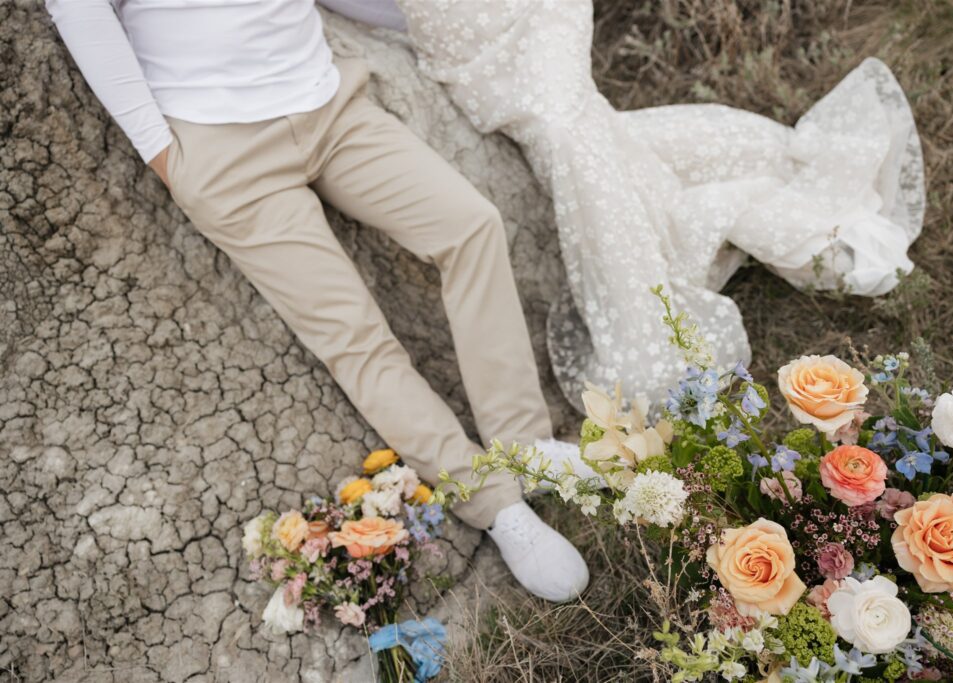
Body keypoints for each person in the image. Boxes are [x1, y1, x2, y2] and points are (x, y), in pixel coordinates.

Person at [44, 0, 590, 603]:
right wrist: (165, 155)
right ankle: (494, 503)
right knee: (353, 337)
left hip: (328, 104)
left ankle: (525, 446)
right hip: (219, 147)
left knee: (471, 226)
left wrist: (432, 21)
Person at [327, 0, 925, 409]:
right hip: (457, 46)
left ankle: (646, 331)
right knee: (588, 140)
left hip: (526, 14)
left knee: (566, 134)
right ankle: (681, 219)